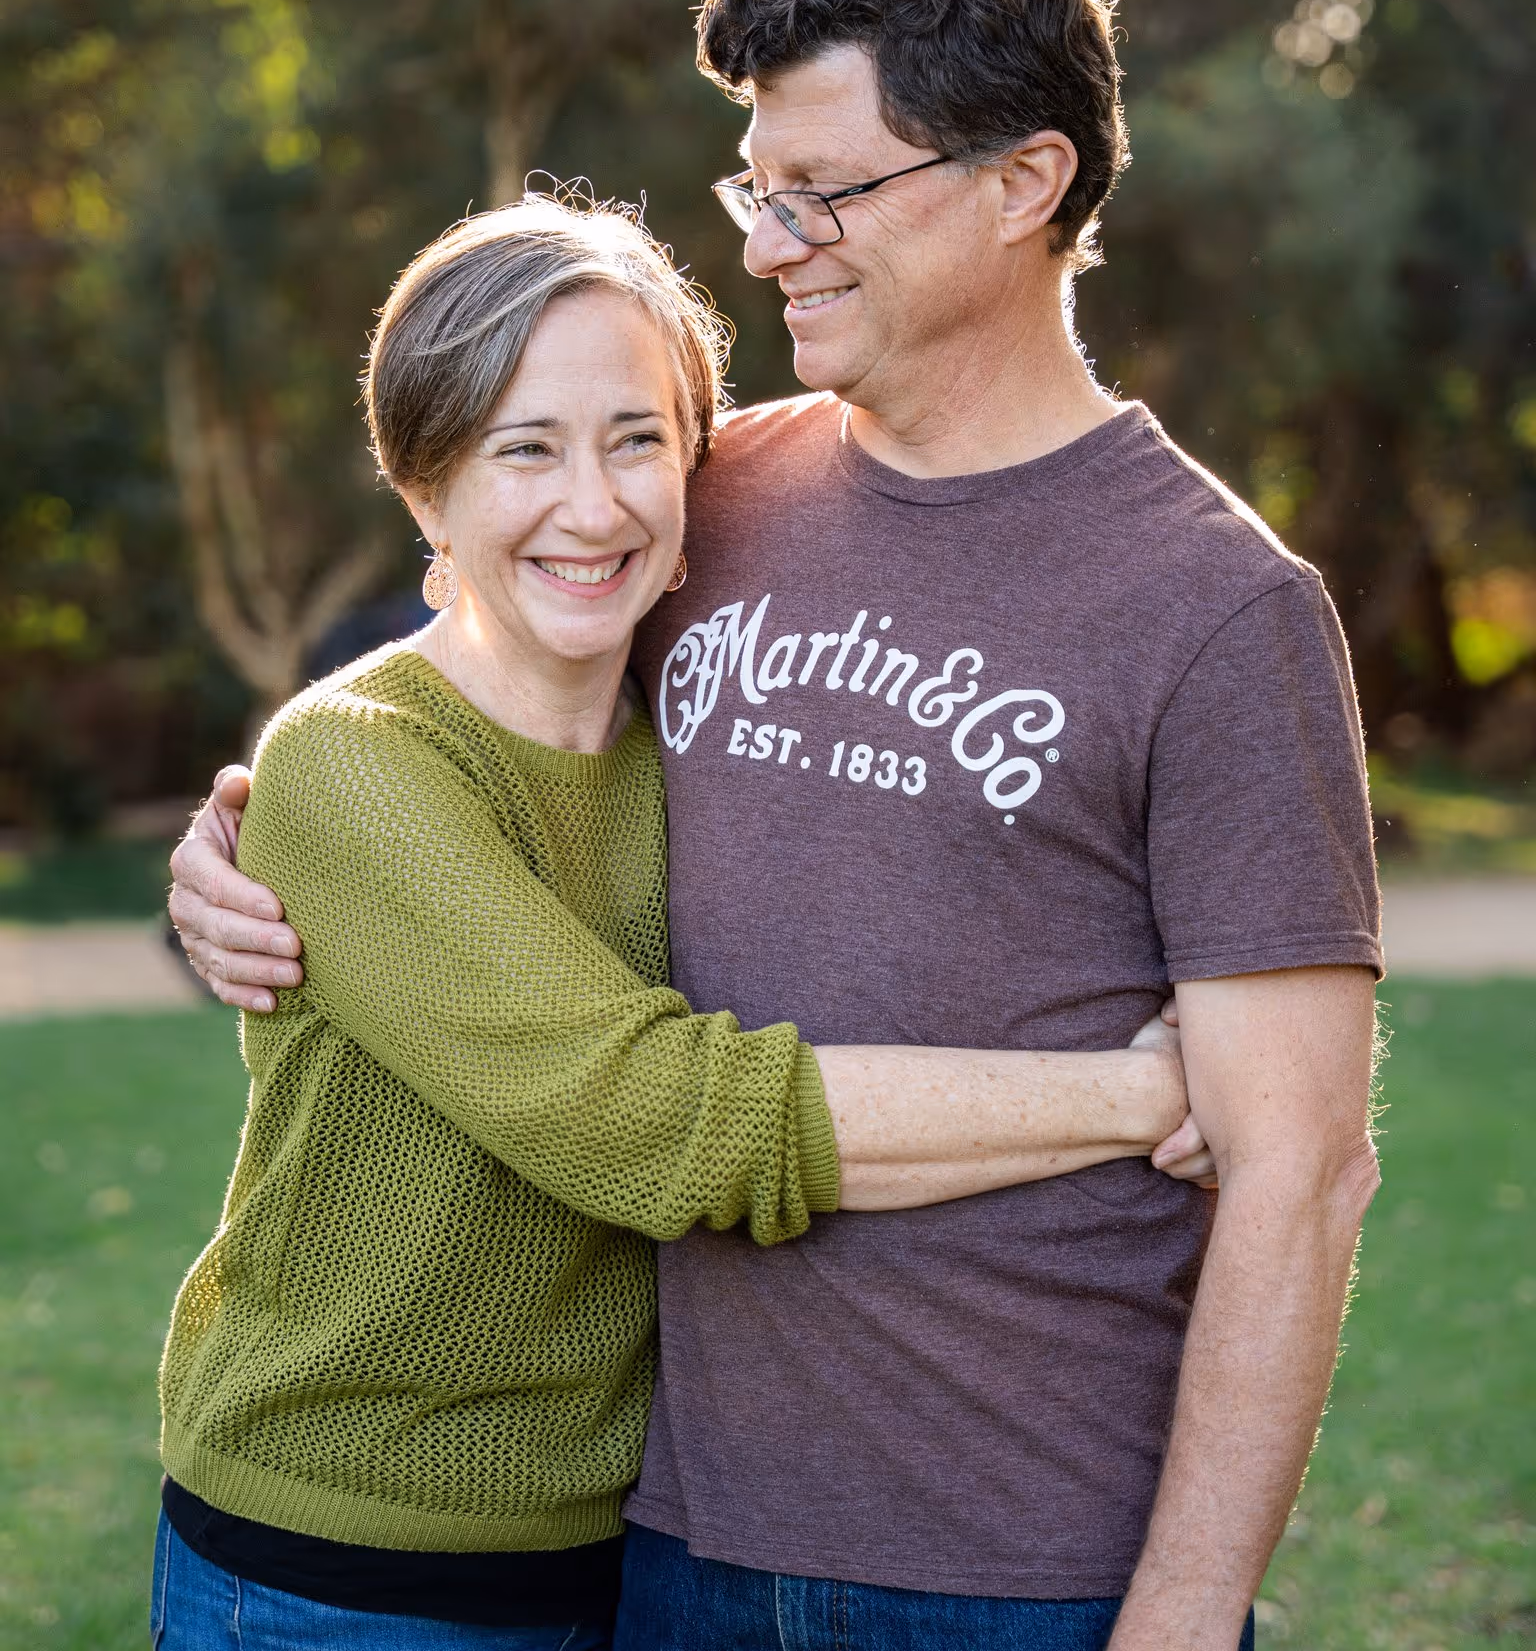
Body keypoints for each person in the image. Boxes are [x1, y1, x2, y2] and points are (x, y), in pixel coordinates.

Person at [171, 0, 1383, 1651]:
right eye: (761, 187)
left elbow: (1301, 1167)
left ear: (1025, 183)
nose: (769, 242)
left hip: (1025, 1566)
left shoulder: (1221, 610)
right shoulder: (709, 493)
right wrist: (245, 842)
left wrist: (1188, 1614)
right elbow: (483, 659)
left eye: (826, 192)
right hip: (664, 1536)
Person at [152, 194, 1211, 1651]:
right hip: (342, 1571)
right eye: (524, 448)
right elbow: (655, 1120)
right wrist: (1142, 1089)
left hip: (624, 1557)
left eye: (636, 441)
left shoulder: (697, 732)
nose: (593, 507)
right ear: (424, 490)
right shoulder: (357, 762)